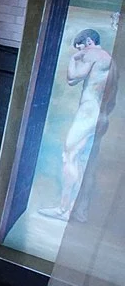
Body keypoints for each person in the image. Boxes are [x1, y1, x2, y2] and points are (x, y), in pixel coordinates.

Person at [40, 28, 118, 222]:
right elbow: (113, 98)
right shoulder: (112, 62)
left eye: (80, 47)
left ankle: (63, 209)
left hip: (88, 113)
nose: (80, 52)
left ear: (89, 41)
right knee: (84, 162)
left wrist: (74, 58)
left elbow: (72, 79)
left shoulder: (92, 54)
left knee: (69, 156)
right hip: (102, 117)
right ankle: (79, 212)